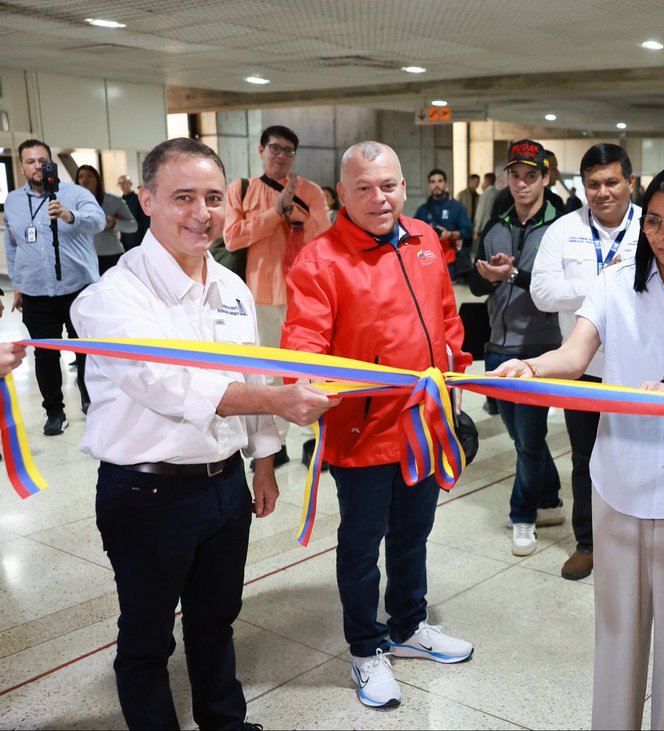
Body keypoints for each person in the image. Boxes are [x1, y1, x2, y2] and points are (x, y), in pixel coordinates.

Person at [70, 137, 335, 730]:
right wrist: (280, 402)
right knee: (147, 635)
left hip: (224, 489)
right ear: (146, 200)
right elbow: (169, 387)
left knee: (216, 619)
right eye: (182, 197)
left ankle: (224, 721)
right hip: (147, 494)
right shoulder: (112, 299)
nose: (201, 213)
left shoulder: (232, 287)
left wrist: (264, 460)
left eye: (213, 197)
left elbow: (253, 373)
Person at [491, 164, 664, 729]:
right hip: (619, 482)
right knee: (616, 634)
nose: (661, 235)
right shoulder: (616, 283)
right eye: (655, 221)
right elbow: (574, 356)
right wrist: (530, 368)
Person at [282, 140, 475, 709]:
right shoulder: (320, 259)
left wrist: (455, 373)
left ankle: (409, 625)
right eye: (363, 188)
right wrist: (308, 384)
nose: (378, 197)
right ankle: (366, 649)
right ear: (342, 194)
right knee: (362, 544)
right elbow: (305, 342)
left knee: (414, 533)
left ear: (404, 185)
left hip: (423, 425)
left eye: (388, 184)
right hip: (361, 432)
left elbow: (446, 317)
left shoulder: (425, 240)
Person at [529, 143, 642, 581]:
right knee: (585, 458)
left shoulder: (651, 225)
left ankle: (632, 540)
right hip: (583, 369)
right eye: (592, 184)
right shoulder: (563, 229)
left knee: (638, 455)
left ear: (629, 182)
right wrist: (605, 283)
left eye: (612, 182)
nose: (602, 192)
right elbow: (542, 293)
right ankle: (588, 543)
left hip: (640, 370)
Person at [469, 139, 564, 556]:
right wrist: (489, 276)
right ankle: (551, 497)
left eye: (531, 176)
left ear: (545, 178)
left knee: (528, 438)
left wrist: (512, 276)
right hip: (496, 344)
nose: (522, 184)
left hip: (541, 347)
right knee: (523, 435)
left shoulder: (563, 227)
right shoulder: (495, 225)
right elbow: (473, 283)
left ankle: (523, 515)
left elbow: (556, 290)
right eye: (515, 175)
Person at [224, 124, 331, 468]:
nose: (281, 156)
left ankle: (315, 439)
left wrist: (294, 211)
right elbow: (232, 238)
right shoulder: (241, 190)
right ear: (260, 150)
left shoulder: (311, 192)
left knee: (311, 367)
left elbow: (323, 238)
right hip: (261, 294)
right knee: (269, 371)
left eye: (288, 150)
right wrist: (275, 212)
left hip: (307, 295)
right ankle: (275, 444)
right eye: (275, 148)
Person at [3, 138, 105, 435]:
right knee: (45, 354)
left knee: (87, 349)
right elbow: (13, 245)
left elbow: (98, 221)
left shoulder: (76, 193)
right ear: (21, 166)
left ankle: (91, 400)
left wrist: (70, 215)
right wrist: (18, 283)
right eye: (31, 161)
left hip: (79, 289)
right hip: (36, 293)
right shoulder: (13, 201)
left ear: (52, 163)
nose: (37, 167)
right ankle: (55, 411)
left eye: (42, 161)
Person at [75, 165, 137, 274]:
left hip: (110, 255)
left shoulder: (113, 200)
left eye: (89, 176)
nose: (85, 180)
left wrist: (114, 223)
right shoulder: (72, 203)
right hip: (83, 257)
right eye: (81, 176)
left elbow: (133, 226)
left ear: (97, 180)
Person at [415, 168, 473, 283]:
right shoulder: (422, 210)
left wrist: (450, 234)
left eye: (440, 181)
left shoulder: (457, 207)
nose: (436, 185)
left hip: (451, 262)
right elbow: (413, 233)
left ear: (446, 184)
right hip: (427, 262)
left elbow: (468, 232)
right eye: (433, 182)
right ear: (429, 185)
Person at [117, 175, 150, 249]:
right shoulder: (119, 201)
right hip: (123, 240)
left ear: (130, 183)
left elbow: (145, 221)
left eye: (124, 182)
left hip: (137, 239)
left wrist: (146, 239)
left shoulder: (138, 199)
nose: (122, 185)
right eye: (120, 183)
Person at [473, 171, 498, 240]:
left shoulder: (485, 195)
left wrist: (476, 229)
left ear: (486, 181)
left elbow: (480, 212)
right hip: (495, 227)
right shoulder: (498, 193)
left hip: (484, 227)